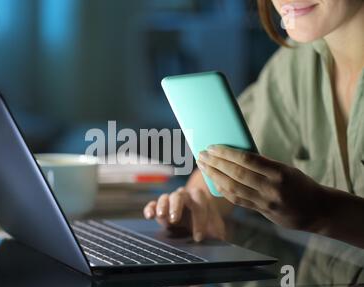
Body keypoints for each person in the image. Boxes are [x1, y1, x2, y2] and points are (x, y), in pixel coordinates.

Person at [143, 0, 364, 248]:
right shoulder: (294, 64)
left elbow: (320, 213)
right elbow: (223, 171)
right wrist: (197, 205)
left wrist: (323, 212)